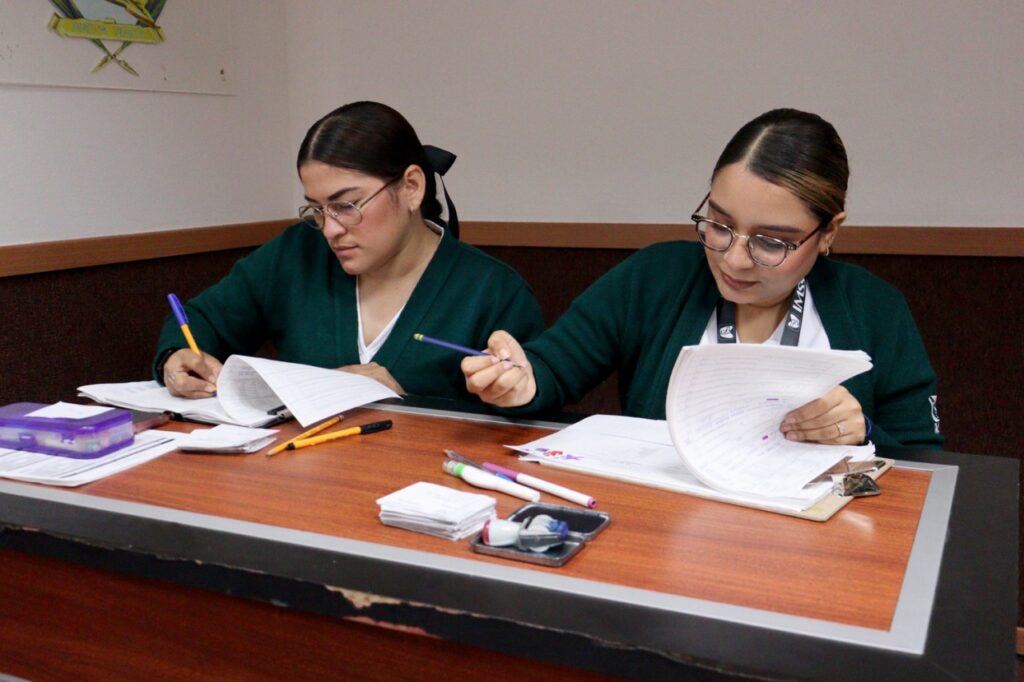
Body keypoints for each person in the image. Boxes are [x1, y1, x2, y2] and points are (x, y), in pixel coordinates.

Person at [463, 109, 942, 448]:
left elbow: (927, 461)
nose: (734, 260)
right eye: (719, 225)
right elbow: (552, 368)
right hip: (669, 539)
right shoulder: (656, 278)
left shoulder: (875, 309)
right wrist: (519, 382)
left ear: (828, 233)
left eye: (771, 242)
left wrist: (863, 433)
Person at [154, 101, 544, 403]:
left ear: (411, 187)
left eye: (346, 205)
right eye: (317, 208)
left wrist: (406, 402)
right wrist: (176, 357)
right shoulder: (296, 255)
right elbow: (201, 319)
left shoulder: (493, 294)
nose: (330, 228)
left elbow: (519, 430)